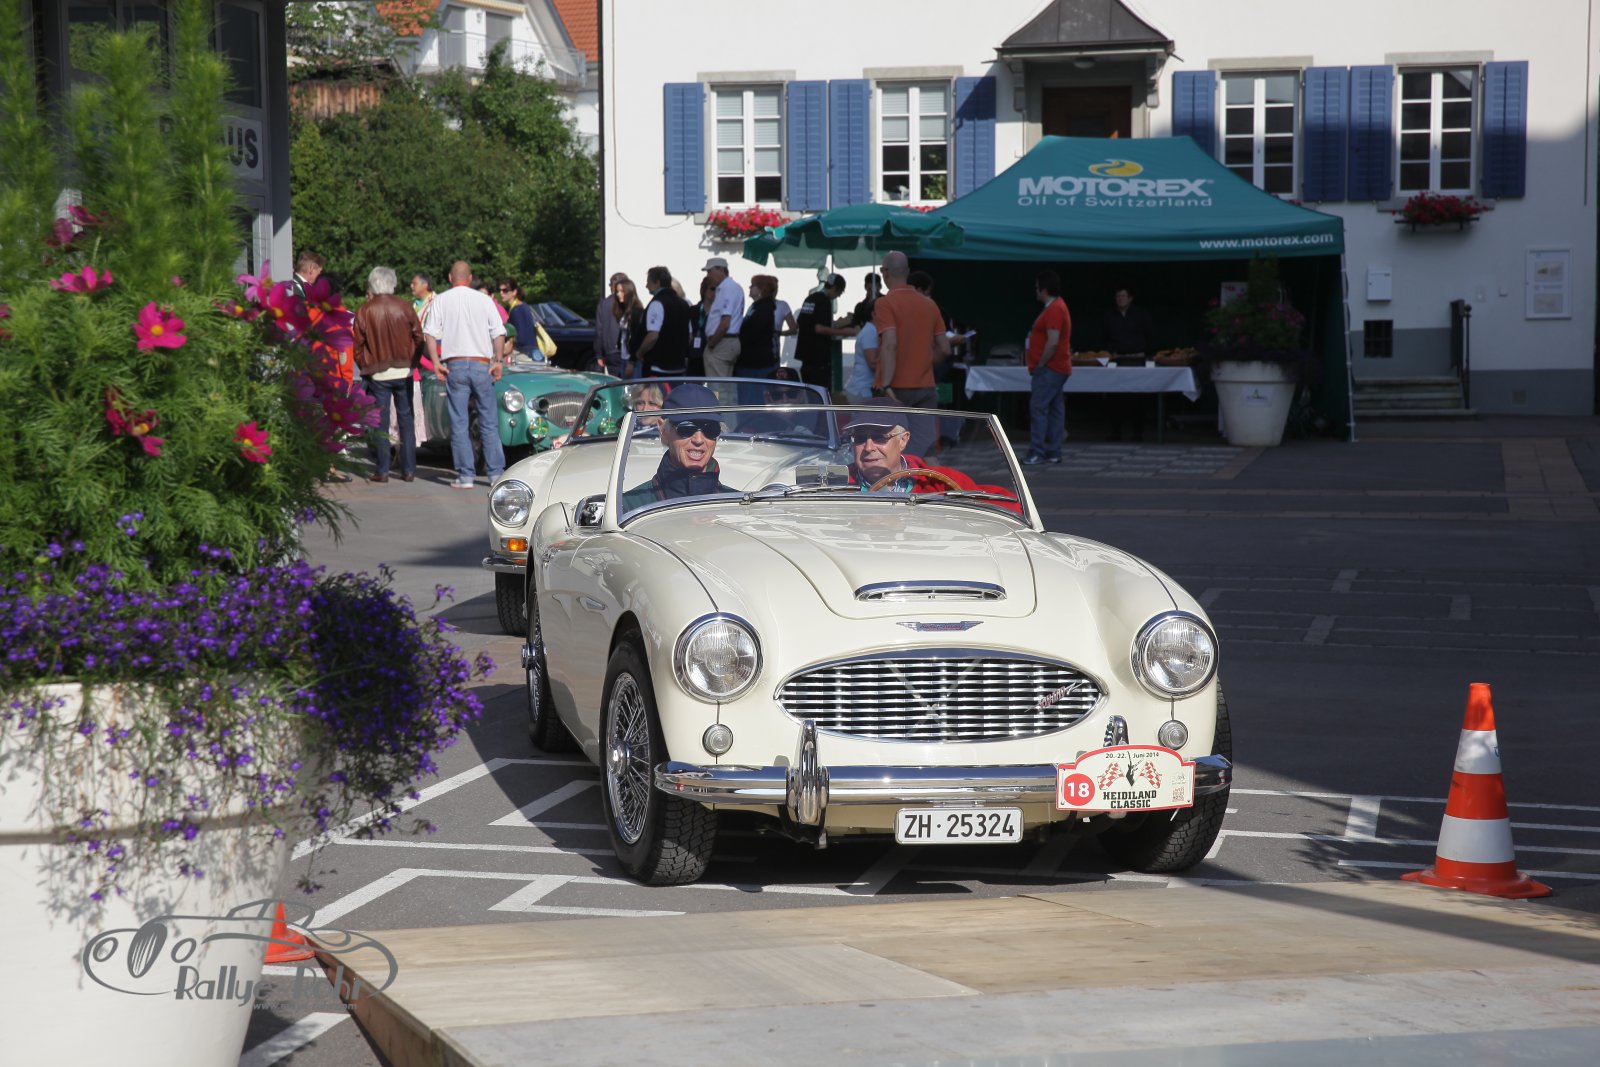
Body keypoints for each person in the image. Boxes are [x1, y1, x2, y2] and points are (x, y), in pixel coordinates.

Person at [423, 260, 508, 489]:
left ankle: (466, 475)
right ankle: (495, 474)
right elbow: (499, 332)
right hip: (482, 365)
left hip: (455, 364)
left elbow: (429, 334)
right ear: (470, 278)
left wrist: (436, 363)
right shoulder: (485, 300)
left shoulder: (440, 300)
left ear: (450, 278)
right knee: (489, 422)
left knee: (459, 422)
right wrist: (498, 361)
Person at [352, 266, 425, 483]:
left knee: (381, 423)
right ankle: (409, 470)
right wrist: (412, 362)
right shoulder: (405, 307)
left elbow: (357, 345)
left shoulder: (365, 310)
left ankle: (382, 470)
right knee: (406, 420)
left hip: (378, 372)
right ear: (392, 283)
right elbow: (419, 337)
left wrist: (366, 366)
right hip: (404, 370)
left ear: (372, 284)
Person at [874, 252, 949, 454]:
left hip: (895, 389)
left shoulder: (885, 303)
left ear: (885, 273)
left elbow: (890, 344)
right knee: (927, 451)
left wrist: (886, 384)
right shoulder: (930, 304)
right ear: (907, 272)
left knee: (889, 452)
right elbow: (945, 348)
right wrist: (924, 363)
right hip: (926, 387)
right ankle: (929, 476)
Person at [620, 383, 734, 512]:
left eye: (710, 429)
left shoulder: (738, 506)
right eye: (686, 428)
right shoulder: (629, 507)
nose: (698, 440)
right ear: (663, 430)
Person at [1023, 270, 1073, 466]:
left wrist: (1040, 364)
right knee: (1055, 409)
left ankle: (1037, 451)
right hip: (1056, 367)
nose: (1035, 291)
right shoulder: (1057, 307)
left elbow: (1052, 342)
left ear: (1044, 289)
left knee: (1039, 408)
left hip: (1050, 368)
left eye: (1037, 288)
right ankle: (1053, 451)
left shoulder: (1054, 309)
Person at [1105, 285, 1156, 440]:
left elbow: (1150, 335)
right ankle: (1115, 431)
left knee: (1137, 395)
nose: (1120, 299)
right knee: (1115, 396)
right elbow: (1105, 336)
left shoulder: (1141, 314)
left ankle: (1138, 431)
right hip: (1118, 359)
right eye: (1118, 296)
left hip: (1137, 359)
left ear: (1130, 298)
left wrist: (1147, 353)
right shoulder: (1110, 315)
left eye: (1123, 296)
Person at [794, 273, 853, 391]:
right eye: (840, 293)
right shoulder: (824, 302)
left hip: (805, 357)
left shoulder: (810, 298)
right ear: (835, 288)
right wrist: (845, 332)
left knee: (810, 394)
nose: (839, 296)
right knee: (822, 394)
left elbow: (800, 322)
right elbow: (820, 328)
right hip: (819, 358)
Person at [633, 266, 693, 377]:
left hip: (657, 367)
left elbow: (653, 336)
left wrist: (639, 353)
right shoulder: (684, 304)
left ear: (657, 282)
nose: (646, 286)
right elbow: (689, 336)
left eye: (648, 282)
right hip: (678, 367)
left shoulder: (657, 303)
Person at [735, 274, 779, 402]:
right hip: (750, 361)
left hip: (757, 363)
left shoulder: (764, 307)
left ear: (761, 289)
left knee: (753, 400)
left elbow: (754, 332)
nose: (749, 287)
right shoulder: (756, 307)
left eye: (753, 285)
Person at [700, 257, 744, 377]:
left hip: (722, 341)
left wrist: (712, 343)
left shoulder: (727, 288)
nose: (708, 275)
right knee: (725, 383)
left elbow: (725, 322)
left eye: (710, 271)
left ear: (721, 269)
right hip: (727, 341)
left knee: (717, 384)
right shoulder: (731, 287)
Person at [408, 272, 436, 443]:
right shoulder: (414, 305)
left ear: (425, 285)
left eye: (414, 283)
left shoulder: (436, 302)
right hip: (417, 357)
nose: (411, 286)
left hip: (430, 354)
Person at [844, 291, 880, 405]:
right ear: (874, 314)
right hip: (862, 390)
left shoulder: (872, 331)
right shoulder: (870, 332)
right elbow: (873, 363)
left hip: (862, 389)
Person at [498, 277, 542, 364]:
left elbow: (521, 337)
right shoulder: (522, 306)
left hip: (524, 354)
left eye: (505, 290)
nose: (501, 293)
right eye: (500, 290)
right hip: (530, 352)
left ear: (514, 292)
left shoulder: (517, 310)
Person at [593, 271, 629, 375]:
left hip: (610, 352)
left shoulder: (604, 303)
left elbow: (599, 331)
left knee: (615, 381)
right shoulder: (630, 302)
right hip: (627, 351)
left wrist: (599, 354)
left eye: (610, 284)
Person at [613, 278, 647, 378]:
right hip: (624, 357)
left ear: (629, 292)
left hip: (633, 360)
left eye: (622, 291)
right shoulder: (623, 311)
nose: (618, 294)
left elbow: (638, 338)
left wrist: (632, 361)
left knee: (634, 386)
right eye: (617, 291)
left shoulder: (637, 311)